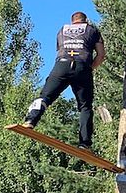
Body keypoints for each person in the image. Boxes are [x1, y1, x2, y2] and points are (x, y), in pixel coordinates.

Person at [23, 11, 106, 150]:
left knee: (45, 96)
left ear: (73, 21)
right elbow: (101, 54)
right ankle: (84, 144)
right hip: (82, 66)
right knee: (85, 107)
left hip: (61, 65)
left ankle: (30, 120)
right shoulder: (92, 30)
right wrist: (90, 69)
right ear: (86, 21)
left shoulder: (62, 30)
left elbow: (60, 49)